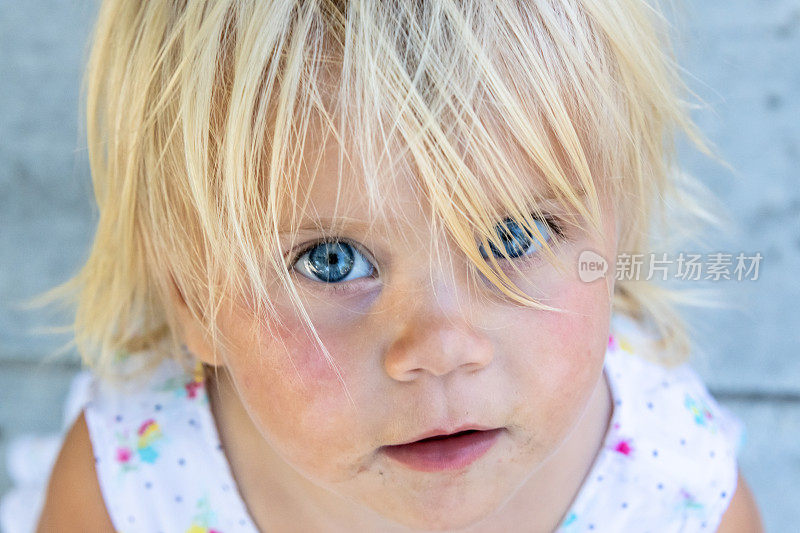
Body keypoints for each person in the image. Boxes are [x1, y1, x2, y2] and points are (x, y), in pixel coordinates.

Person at [35, 0, 763, 531]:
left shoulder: (675, 496)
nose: (443, 348)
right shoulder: (136, 484)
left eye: (514, 235)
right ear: (193, 296)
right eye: (331, 259)